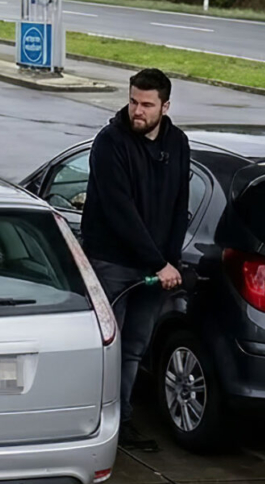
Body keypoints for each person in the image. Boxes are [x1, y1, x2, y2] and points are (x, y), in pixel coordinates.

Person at [79, 68, 191, 452]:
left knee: (134, 348)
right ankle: (98, 423)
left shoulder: (178, 143)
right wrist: (159, 263)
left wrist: (169, 261)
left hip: (156, 267)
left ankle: (122, 421)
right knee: (108, 347)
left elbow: (180, 205)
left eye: (146, 104)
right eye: (132, 101)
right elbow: (119, 210)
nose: (137, 111)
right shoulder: (110, 143)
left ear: (165, 106)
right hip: (112, 263)